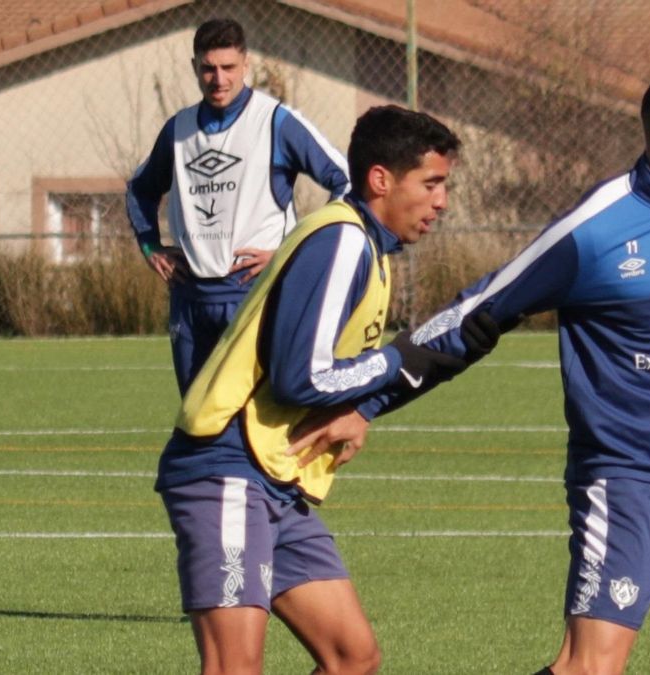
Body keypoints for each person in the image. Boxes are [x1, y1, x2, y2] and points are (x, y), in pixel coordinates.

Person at [350, 65, 650, 674]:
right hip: (627, 485)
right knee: (589, 668)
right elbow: (478, 313)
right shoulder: (596, 228)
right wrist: (365, 401)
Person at [156, 104, 497, 675]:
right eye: (431, 183)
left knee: (351, 656)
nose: (442, 201)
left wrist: (359, 409)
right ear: (381, 179)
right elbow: (303, 376)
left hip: (279, 476)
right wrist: (394, 361)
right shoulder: (342, 239)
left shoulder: (371, 248)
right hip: (228, 467)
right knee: (234, 666)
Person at [126, 17, 351, 395]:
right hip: (190, 297)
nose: (219, 79)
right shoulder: (178, 130)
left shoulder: (276, 122)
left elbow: (345, 181)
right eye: (208, 68)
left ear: (245, 65)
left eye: (228, 67)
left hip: (255, 290)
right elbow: (139, 189)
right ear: (194, 67)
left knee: (258, 416)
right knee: (196, 420)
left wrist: (292, 253)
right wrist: (150, 246)